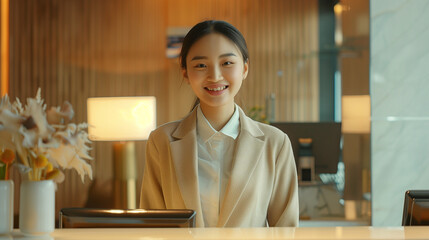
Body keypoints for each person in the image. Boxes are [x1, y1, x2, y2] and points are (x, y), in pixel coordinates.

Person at [140, 20, 298, 227]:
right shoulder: (161, 141)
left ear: (245, 68)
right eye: (201, 65)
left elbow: (286, 230)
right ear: (185, 72)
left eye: (227, 63)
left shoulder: (275, 143)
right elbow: (152, 227)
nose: (214, 76)